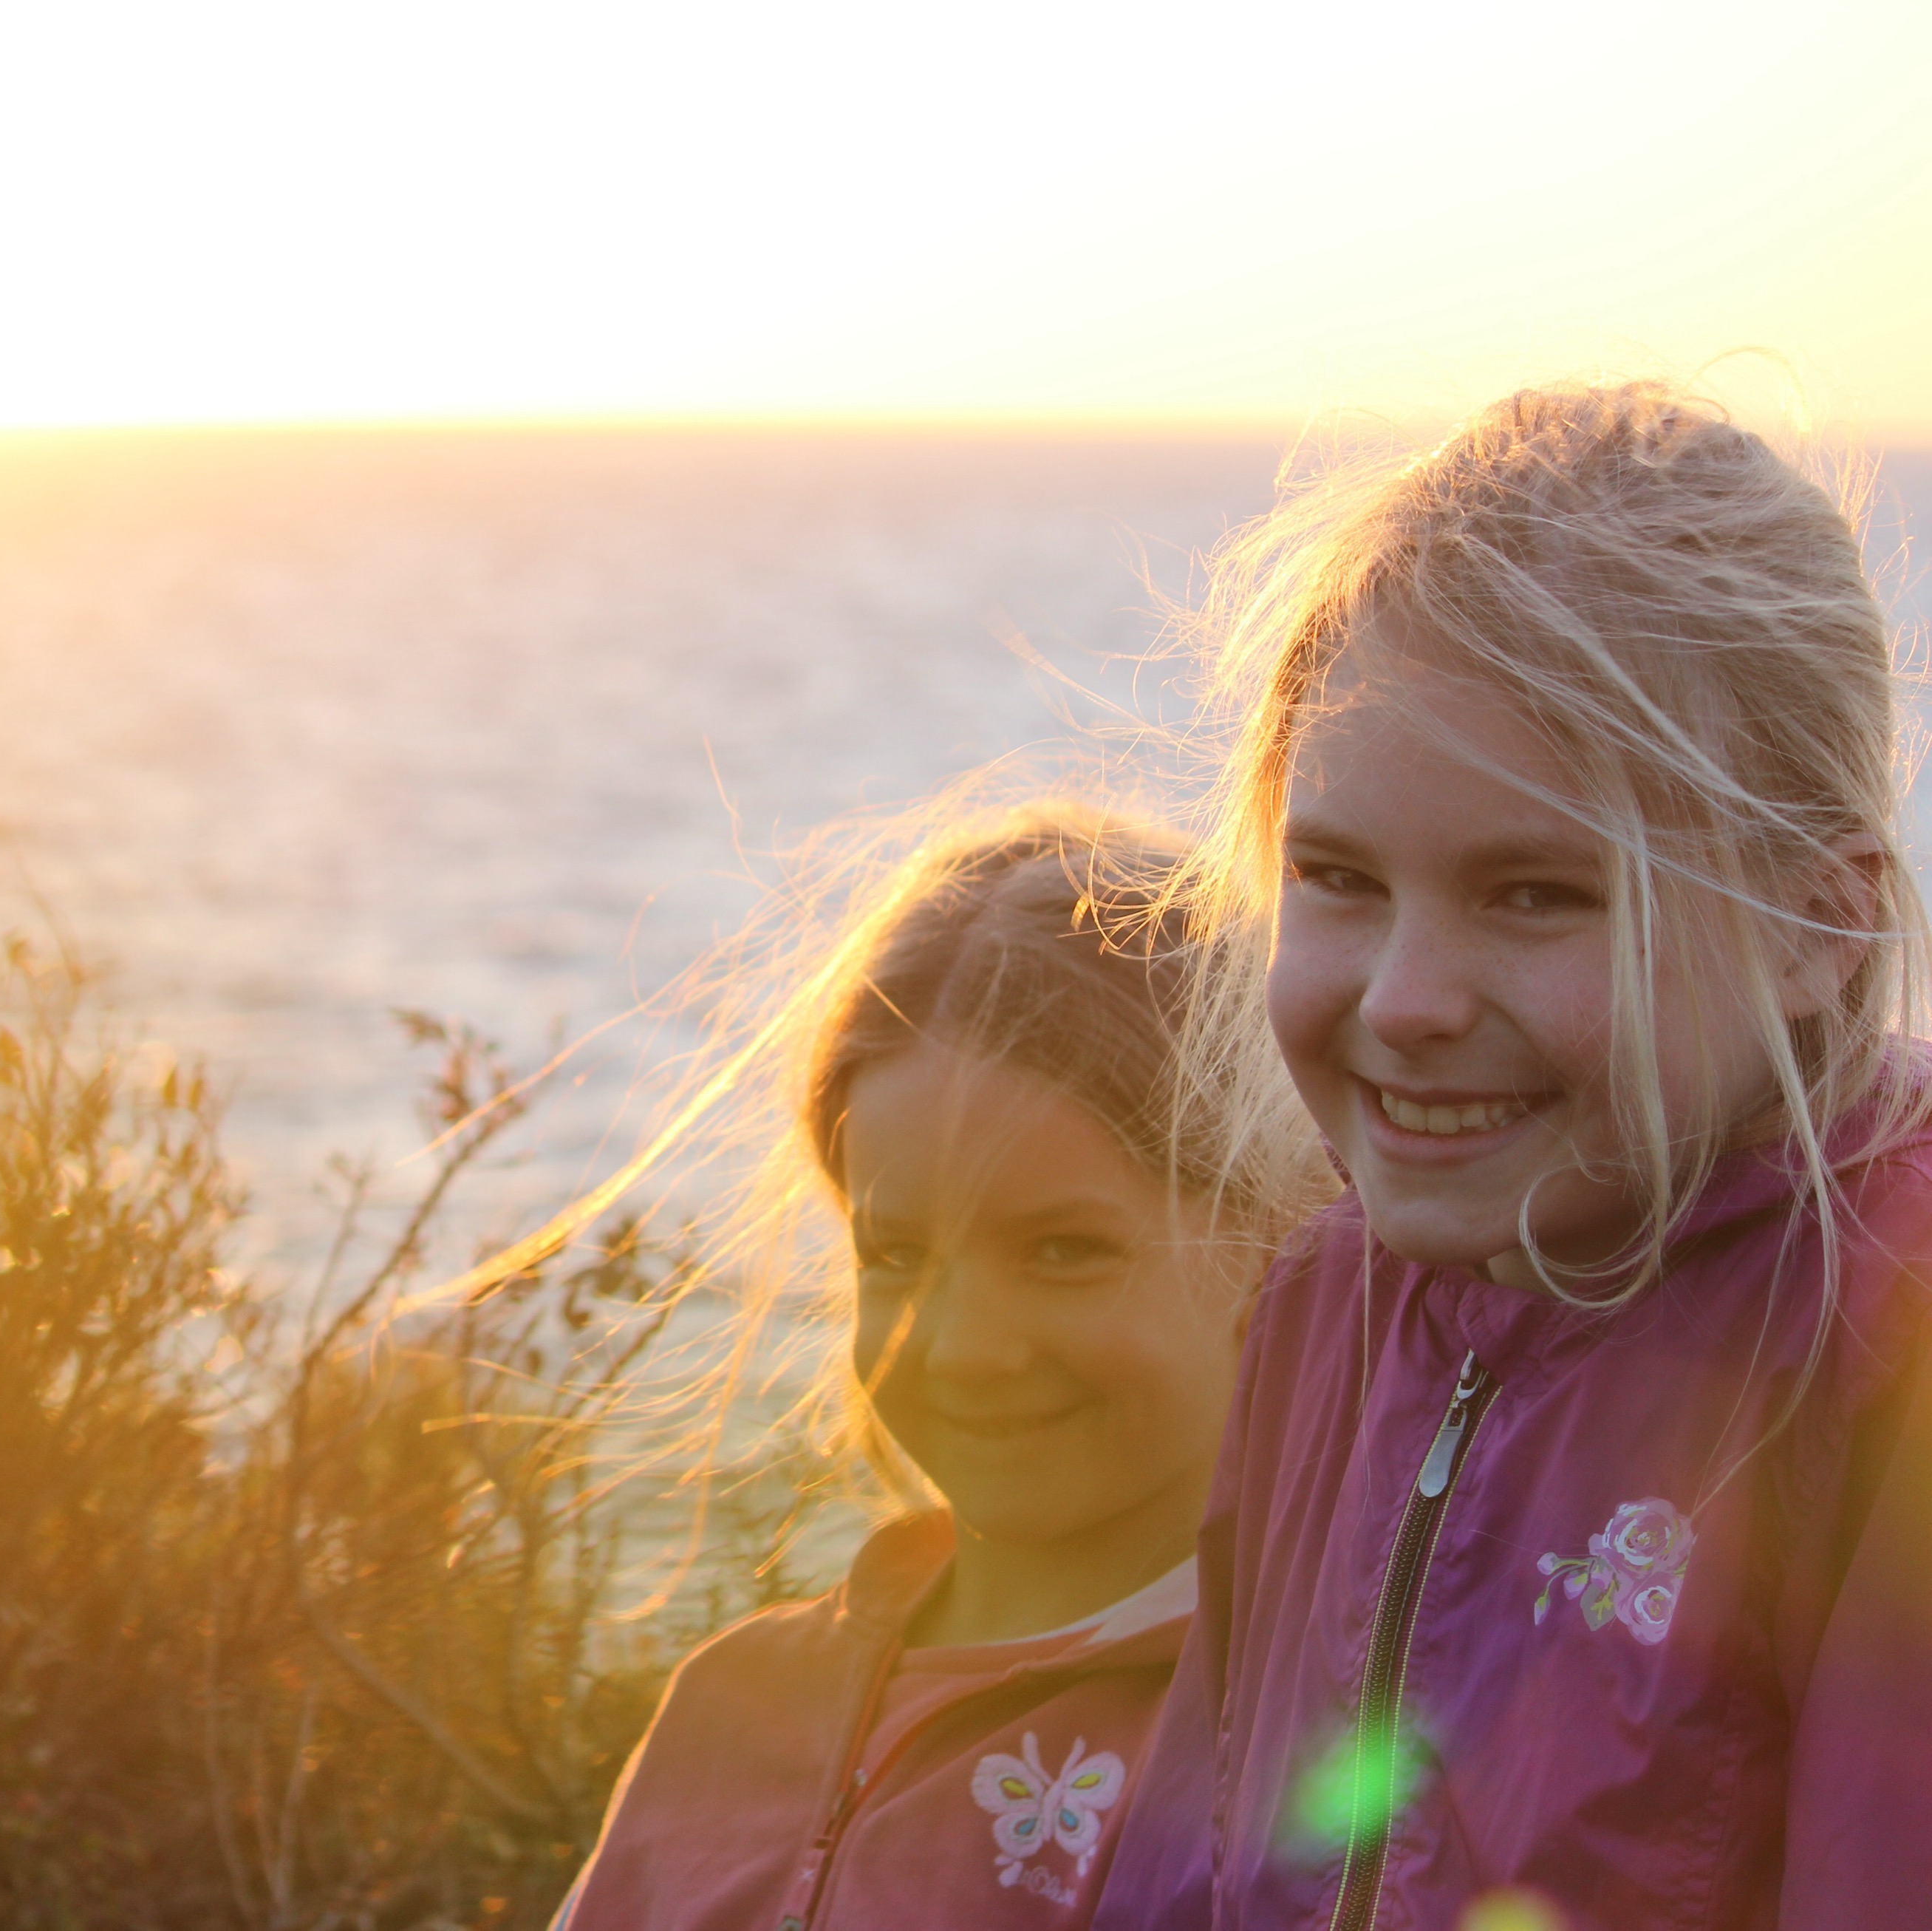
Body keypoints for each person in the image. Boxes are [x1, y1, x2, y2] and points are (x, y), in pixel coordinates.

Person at [1088, 381, 1932, 1930]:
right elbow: (1188, 1867)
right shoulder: (1331, 1298)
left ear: (1822, 923)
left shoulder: (1891, 1352)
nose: (1403, 1000)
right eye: (1338, 876)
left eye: (1536, 893)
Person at [553, 804, 1309, 1930]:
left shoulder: (1284, 1746)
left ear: (1278, 1237)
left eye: (1064, 1250)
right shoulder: (734, 1703)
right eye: (896, 1255)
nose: (961, 1347)